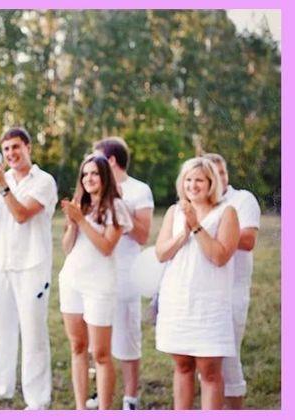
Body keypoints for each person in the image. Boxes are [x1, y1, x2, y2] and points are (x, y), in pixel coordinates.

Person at [0, 127, 57, 410]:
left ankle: (37, 399)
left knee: (33, 334)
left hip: (32, 265)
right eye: (6, 149)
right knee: (2, 330)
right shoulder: (2, 179)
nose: (11, 153)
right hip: (0, 263)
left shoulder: (44, 181)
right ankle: (0, 387)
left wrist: (1, 185)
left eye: (16, 147)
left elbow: (21, 214)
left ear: (28, 148)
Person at [155, 157, 240, 410]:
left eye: (199, 180)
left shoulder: (227, 212)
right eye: (188, 180)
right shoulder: (174, 212)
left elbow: (219, 256)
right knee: (182, 366)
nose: (193, 185)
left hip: (209, 302)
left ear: (211, 183)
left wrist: (195, 226)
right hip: (178, 300)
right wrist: (183, 233)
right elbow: (161, 253)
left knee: (210, 371)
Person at [58, 154, 133, 410]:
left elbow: (106, 247)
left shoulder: (116, 207)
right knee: (78, 347)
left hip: (99, 286)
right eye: (85, 174)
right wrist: (73, 224)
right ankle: (81, 409)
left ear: (104, 177)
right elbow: (67, 248)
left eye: (94, 173)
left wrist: (81, 220)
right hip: (72, 282)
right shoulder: (80, 205)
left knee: (100, 353)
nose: (88, 178)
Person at [86, 137, 154, 410]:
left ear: (111, 160)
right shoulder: (93, 186)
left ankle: (130, 397)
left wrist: (120, 207)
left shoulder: (139, 190)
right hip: (96, 273)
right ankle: (101, 392)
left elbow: (143, 235)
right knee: (97, 339)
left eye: (97, 157)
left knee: (127, 337)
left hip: (126, 273)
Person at [203, 153, 261, 410]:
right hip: (202, 289)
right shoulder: (198, 201)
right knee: (206, 361)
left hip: (232, 291)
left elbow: (248, 240)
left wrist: (210, 234)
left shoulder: (242, 199)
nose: (221, 178)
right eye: (214, 173)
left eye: (223, 172)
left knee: (228, 357)